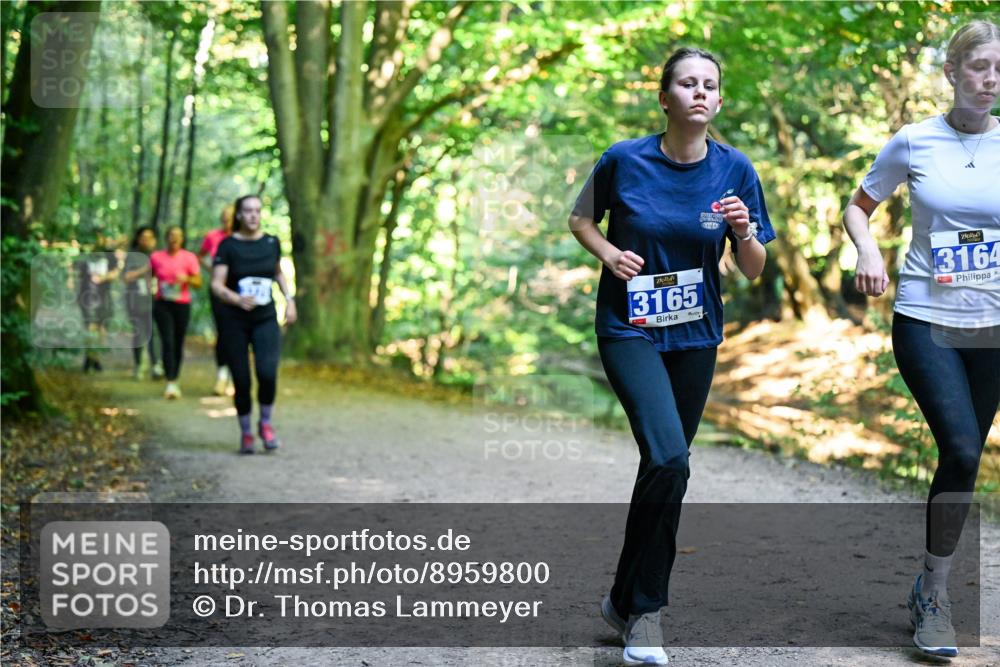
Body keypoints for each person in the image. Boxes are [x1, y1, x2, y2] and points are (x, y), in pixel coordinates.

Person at [569, 47, 774, 665]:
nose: (700, 93)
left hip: (697, 336)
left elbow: (755, 267)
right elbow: (581, 220)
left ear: (718, 99)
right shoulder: (623, 160)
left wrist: (742, 233)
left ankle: (620, 599)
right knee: (667, 457)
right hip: (629, 327)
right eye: (688, 83)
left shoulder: (736, 170)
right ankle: (647, 614)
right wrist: (608, 255)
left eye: (711, 85)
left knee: (666, 467)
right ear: (665, 97)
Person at [843, 20, 999, 659]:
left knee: (961, 464)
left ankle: (927, 582)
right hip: (925, 316)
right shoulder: (913, 142)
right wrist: (867, 251)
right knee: (961, 448)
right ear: (952, 72)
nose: (991, 80)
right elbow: (858, 205)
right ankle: (937, 596)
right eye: (980, 67)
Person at [210, 194, 296, 454]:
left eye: (257, 211)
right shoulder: (227, 246)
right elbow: (216, 283)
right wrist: (235, 298)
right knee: (242, 380)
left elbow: (278, 273)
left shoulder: (271, 243)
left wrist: (290, 300)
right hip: (234, 320)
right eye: (247, 211)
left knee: (267, 372)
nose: (253, 216)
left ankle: (266, 423)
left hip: (265, 318)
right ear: (238, 215)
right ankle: (246, 431)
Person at [150, 225, 202, 399]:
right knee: (168, 340)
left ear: (182, 239)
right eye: (171, 235)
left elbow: (198, 282)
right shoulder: (156, 257)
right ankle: (170, 381)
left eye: (178, 236)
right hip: (162, 304)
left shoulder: (189, 257)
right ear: (166, 238)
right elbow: (148, 276)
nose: (174, 239)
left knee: (178, 341)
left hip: (181, 304)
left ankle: (175, 377)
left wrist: (186, 278)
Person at [199, 205, 235, 395]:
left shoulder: (242, 237)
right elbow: (201, 256)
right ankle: (222, 375)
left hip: (239, 290)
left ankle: (235, 375)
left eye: (230, 218)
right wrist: (214, 271)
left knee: (238, 331)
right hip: (219, 290)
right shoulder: (213, 236)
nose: (227, 222)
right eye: (224, 218)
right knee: (223, 330)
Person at [75, 232, 120, 373]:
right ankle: (89, 358)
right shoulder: (84, 255)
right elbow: (76, 273)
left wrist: (103, 278)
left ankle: (95, 358)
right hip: (86, 296)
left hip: (104, 296)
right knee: (90, 328)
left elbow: (116, 273)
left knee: (102, 329)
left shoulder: (109, 255)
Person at [122, 226, 162, 380]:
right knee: (139, 332)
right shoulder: (132, 256)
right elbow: (126, 277)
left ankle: (156, 365)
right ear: (138, 239)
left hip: (156, 299)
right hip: (136, 299)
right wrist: (145, 269)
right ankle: (139, 365)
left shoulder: (159, 255)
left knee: (155, 332)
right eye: (143, 237)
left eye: (150, 237)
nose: (147, 240)